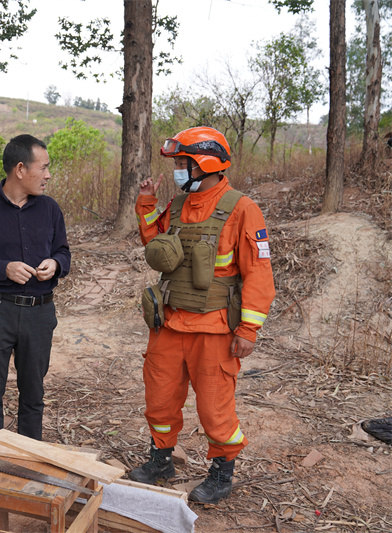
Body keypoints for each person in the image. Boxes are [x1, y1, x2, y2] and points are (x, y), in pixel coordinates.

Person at [130, 126, 275, 504]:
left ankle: (221, 473)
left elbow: (260, 274)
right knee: (159, 399)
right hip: (169, 323)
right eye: (177, 162)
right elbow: (155, 244)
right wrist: (147, 204)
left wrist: (248, 330)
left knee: (214, 407)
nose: (178, 169)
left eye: (182, 162)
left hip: (214, 329)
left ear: (204, 163)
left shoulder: (242, 209)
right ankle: (161, 461)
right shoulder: (177, 206)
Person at [0, 134, 71, 441]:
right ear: (20, 169)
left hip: (39, 314)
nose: (48, 175)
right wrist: (2, 268)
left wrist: (56, 264)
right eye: (43, 167)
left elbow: (64, 252)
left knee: (34, 391)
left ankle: (30, 454)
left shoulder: (49, 210)